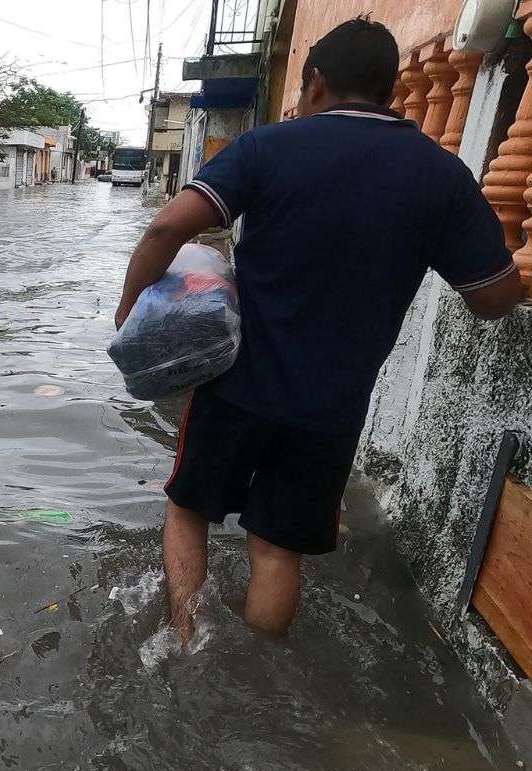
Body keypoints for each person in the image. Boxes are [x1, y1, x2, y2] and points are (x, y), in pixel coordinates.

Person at [114, 17, 524, 643]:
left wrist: (132, 312)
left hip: (236, 384)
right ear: (389, 89)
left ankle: (186, 639)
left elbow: (166, 228)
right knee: (278, 550)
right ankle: (256, 674)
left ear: (315, 83)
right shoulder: (439, 175)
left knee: (189, 508)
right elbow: (495, 299)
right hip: (332, 406)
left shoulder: (269, 147)